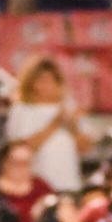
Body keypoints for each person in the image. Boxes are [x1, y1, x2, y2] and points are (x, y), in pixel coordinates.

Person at [6, 57, 93, 193]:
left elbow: (86, 148)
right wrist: (54, 124)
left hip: (69, 184)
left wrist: (73, 127)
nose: (48, 86)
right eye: (43, 80)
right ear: (31, 83)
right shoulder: (21, 110)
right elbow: (20, 149)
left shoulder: (69, 109)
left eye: (53, 80)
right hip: (36, 186)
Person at [0, 142, 54, 222]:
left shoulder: (41, 187)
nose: (22, 168)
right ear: (5, 162)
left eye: (27, 163)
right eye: (17, 163)